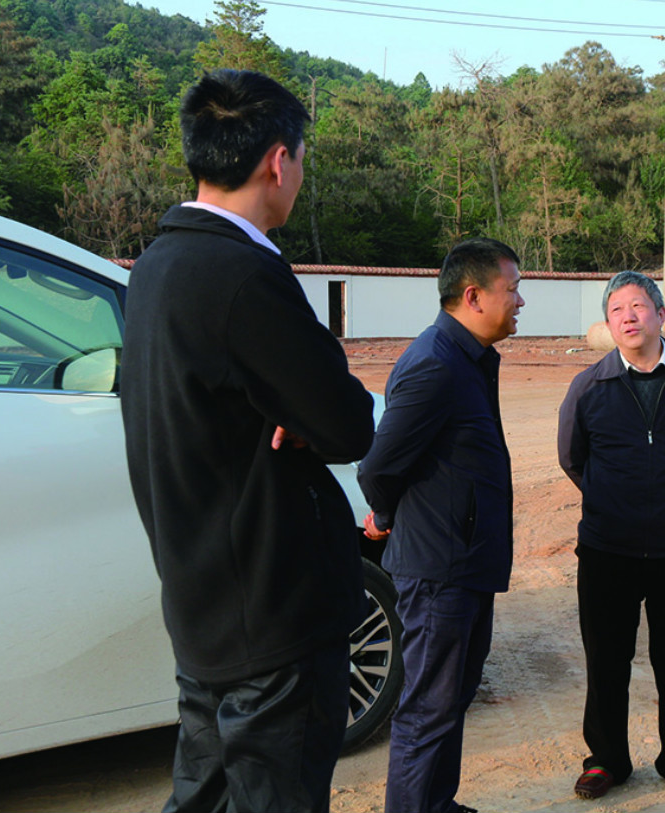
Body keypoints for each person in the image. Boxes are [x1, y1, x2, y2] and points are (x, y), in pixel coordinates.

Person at [121, 69, 376, 813]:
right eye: (301, 159)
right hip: (272, 613)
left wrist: (290, 407)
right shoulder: (241, 274)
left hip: (205, 600)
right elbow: (347, 422)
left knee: (203, 795)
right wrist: (300, 408)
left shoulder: (158, 265)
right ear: (278, 159)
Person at [356, 238, 523, 813]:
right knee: (427, 710)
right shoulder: (435, 364)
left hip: (464, 563)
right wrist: (385, 516)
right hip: (438, 570)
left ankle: (436, 805)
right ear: (473, 296)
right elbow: (379, 466)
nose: (520, 300)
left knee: (450, 700)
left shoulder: (466, 358)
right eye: (512, 289)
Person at [557, 271, 665, 803]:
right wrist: (614, 501)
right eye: (616, 310)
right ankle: (606, 760)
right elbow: (572, 457)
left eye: (637, 306)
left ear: (660, 314)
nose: (627, 317)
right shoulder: (589, 387)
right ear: (608, 325)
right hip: (607, 548)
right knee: (606, 660)